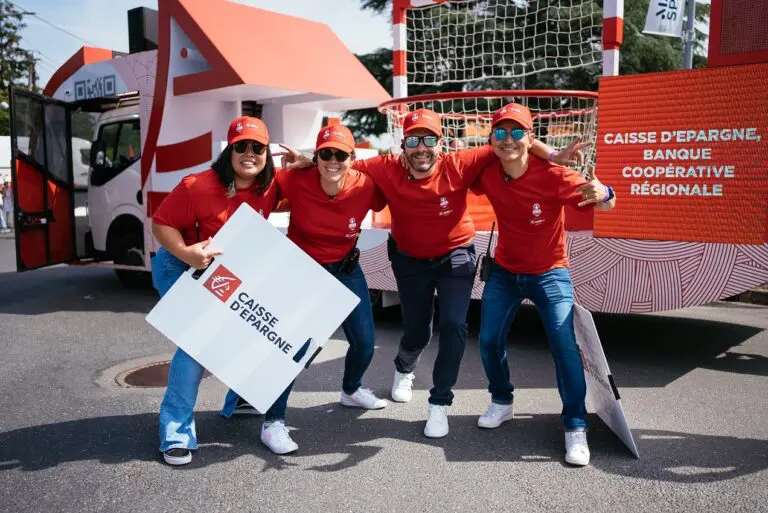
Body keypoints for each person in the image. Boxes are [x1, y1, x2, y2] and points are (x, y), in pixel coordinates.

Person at [325, 108, 585, 438]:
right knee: (417, 331)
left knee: (453, 325)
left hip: (455, 255)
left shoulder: (460, 163)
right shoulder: (386, 167)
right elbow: (338, 165)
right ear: (403, 145)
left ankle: (439, 403)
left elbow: (510, 142)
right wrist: (307, 162)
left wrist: (553, 155)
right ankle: (405, 367)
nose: (421, 147)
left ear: (442, 143)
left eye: (429, 139)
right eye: (413, 140)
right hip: (409, 258)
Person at [470, 103, 615, 466]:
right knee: (488, 341)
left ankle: (575, 425)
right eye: (501, 132)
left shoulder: (554, 176)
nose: (508, 140)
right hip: (505, 272)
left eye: (517, 132)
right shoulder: (488, 173)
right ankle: (502, 400)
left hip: (550, 272)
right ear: (492, 138)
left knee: (564, 345)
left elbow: (605, 201)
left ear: (530, 137)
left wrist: (606, 194)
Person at [151, 116, 297, 466]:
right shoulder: (198, 186)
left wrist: (304, 164)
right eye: (241, 146)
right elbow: (161, 224)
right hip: (180, 265)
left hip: (225, 271)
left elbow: (306, 193)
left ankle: (240, 399)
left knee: (250, 328)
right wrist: (186, 253)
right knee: (197, 344)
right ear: (229, 151)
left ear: (267, 152)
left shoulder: (270, 185)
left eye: (257, 147)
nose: (249, 153)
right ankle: (175, 433)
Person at [275, 124, 388, 410]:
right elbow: (252, 187)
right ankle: (274, 418)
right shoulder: (295, 179)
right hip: (304, 271)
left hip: (346, 270)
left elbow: (396, 185)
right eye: (326, 154)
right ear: (316, 157)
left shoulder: (365, 186)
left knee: (364, 342)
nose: (333, 161)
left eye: (341, 154)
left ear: (352, 158)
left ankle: (351, 390)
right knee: (295, 346)